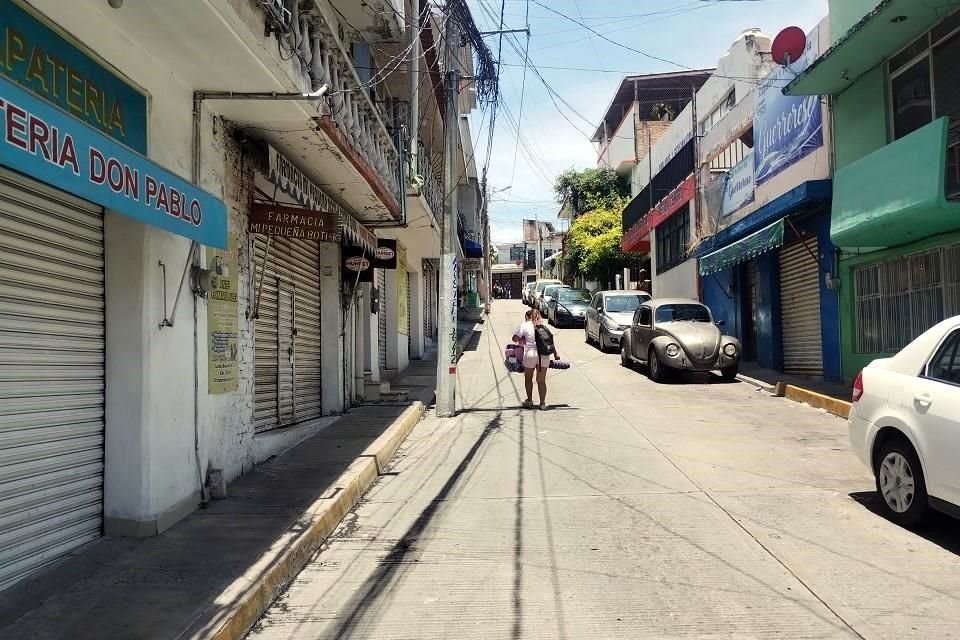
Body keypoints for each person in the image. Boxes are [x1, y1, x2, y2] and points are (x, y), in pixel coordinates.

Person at [512, 308, 560, 410]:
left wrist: (522, 339)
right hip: (544, 355)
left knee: (528, 379)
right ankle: (542, 404)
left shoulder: (524, 325)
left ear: (527, 317)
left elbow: (515, 338)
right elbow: (549, 341)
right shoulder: (543, 327)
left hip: (530, 354)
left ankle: (529, 401)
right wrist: (556, 354)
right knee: (541, 381)